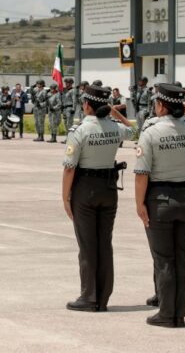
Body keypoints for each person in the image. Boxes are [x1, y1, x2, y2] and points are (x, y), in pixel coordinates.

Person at [134, 84, 185, 327]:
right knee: (181, 257)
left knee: (164, 259)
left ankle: (168, 314)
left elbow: (141, 174)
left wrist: (139, 204)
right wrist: (183, 105)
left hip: (160, 200)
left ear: (160, 105)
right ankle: (179, 313)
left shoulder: (151, 132)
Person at [62, 85, 133, 312]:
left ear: (86, 105)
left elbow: (70, 167)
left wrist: (65, 197)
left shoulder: (80, 130)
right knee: (104, 243)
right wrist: (114, 111)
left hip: (85, 188)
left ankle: (88, 296)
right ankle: (102, 297)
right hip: (109, 188)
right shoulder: (115, 127)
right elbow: (131, 130)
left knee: (87, 245)